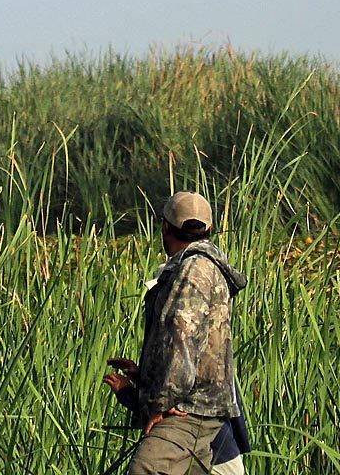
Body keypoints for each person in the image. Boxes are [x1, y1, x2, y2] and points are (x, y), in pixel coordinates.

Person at [103, 192, 249, 475]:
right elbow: (195, 347)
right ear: (208, 230)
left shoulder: (192, 271)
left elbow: (181, 340)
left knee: (144, 469)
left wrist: (159, 403)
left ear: (165, 227)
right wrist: (145, 374)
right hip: (203, 408)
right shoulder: (209, 267)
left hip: (188, 409)